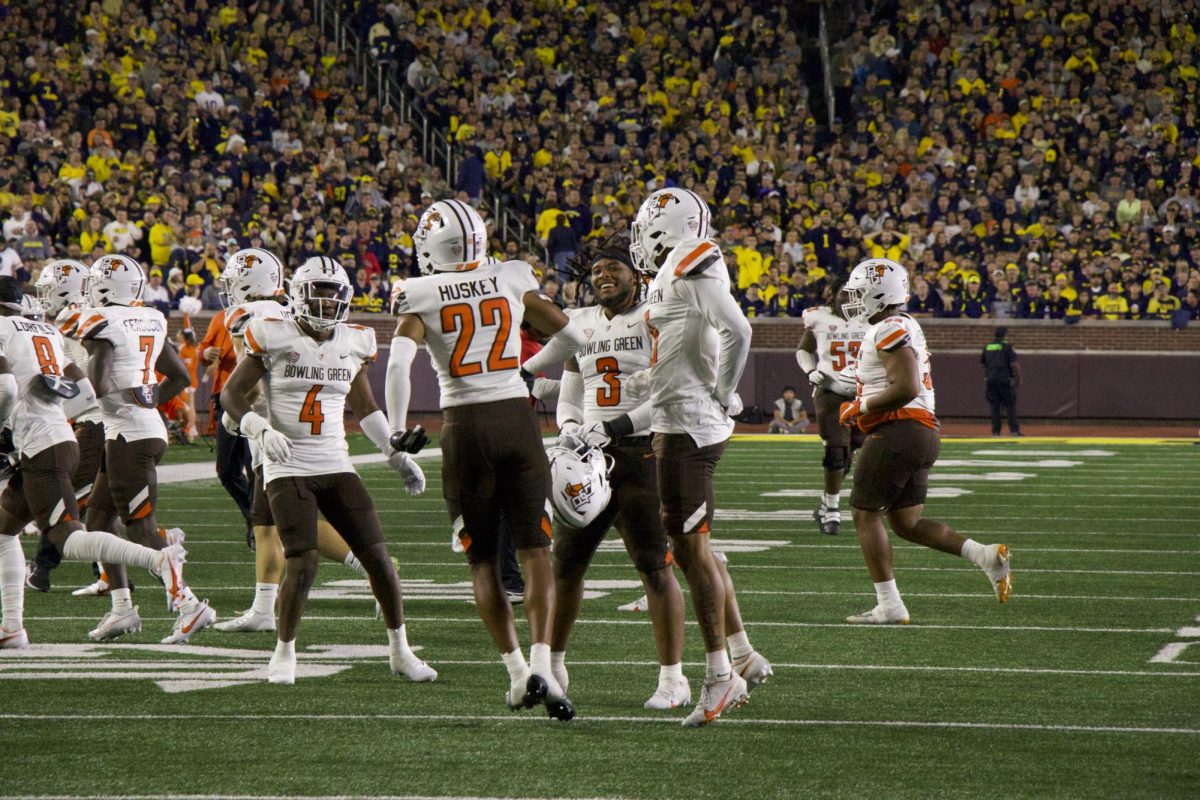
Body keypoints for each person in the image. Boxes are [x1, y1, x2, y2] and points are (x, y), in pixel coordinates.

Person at [385, 199, 584, 718]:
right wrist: (529, 371)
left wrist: (399, 427)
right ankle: (542, 663)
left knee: (481, 560)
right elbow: (573, 335)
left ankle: (519, 673)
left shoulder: (417, 292)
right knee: (537, 550)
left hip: (466, 428)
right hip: (518, 423)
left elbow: (399, 363)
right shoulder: (512, 275)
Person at [221, 256, 435, 685]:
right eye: (318, 291)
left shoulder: (355, 340)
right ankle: (284, 651)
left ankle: (400, 651)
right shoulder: (271, 333)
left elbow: (367, 409)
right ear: (299, 294)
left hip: (335, 460)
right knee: (303, 561)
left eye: (334, 293)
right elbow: (231, 395)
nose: (326, 301)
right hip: (287, 463)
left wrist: (396, 456)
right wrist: (258, 428)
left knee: (379, 560)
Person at [0, 276, 199, 650]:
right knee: (5, 529)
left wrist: (9, 429)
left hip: (56, 445)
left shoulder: (15, 329)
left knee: (69, 540)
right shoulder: (45, 331)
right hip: (60, 439)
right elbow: (85, 394)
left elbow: (7, 389)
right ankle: (12, 626)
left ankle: (161, 564)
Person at [631, 187, 755, 726]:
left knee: (691, 551)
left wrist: (725, 390)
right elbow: (685, 342)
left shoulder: (691, 256)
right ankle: (740, 659)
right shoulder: (668, 275)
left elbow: (738, 329)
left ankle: (721, 676)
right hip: (673, 420)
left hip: (689, 426)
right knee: (691, 548)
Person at [839, 258, 1013, 624]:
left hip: (900, 428)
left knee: (864, 513)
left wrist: (860, 406)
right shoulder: (903, 324)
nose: (852, 299)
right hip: (920, 432)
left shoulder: (888, 328)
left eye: (859, 292)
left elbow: (906, 387)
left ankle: (889, 604)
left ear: (878, 293)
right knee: (906, 522)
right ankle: (984, 555)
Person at [213, 250, 378, 633]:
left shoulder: (246, 318)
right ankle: (262, 608)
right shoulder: (287, 312)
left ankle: (371, 568)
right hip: (285, 430)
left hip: (273, 435)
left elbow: (250, 387)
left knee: (283, 522)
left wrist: (240, 418)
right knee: (265, 521)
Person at [77, 254, 218, 643]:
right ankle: (121, 609)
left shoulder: (104, 324)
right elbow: (180, 377)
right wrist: (149, 396)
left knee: (141, 529)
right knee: (100, 521)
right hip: (133, 430)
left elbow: (99, 387)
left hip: (130, 437)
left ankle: (190, 605)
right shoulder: (151, 317)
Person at [797, 282, 868, 535]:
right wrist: (810, 371)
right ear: (832, 296)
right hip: (830, 390)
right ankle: (833, 509)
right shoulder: (819, 317)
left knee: (854, 450)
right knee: (836, 450)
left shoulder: (872, 317)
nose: (849, 300)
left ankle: (826, 503)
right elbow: (803, 350)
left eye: (855, 295)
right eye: (844, 295)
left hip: (864, 394)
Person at [199, 289, 254, 547]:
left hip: (253, 399)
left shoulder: (265, 316)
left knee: (255, 465)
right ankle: (253, 515)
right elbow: (204, 348)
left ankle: (260, 524)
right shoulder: (221, 317)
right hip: (224, 398)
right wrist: (205, 354)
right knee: (227, 469)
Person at [981, 327, 1022, 437]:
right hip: (1004, 379)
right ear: (1005, 335)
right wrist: (1018, 377)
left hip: (990, 379)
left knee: (994, 406)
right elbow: (1014, 364)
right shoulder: (1007, 347)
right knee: (1010, 405)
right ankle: (1013, 431)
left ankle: (995, 432)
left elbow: (983, 363)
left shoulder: (988, 346)